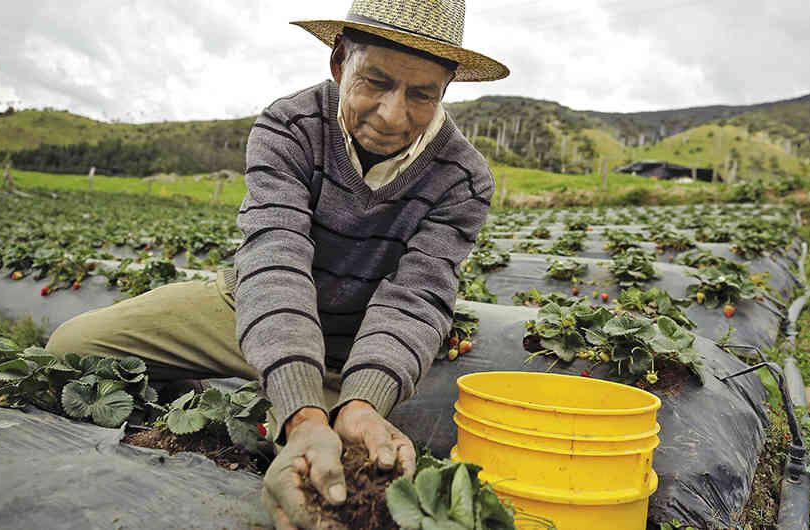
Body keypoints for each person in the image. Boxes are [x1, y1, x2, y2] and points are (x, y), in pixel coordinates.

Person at [44, 1, 508, 528]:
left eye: (421, 94)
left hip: (352, 345)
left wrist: (360, 404)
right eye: (375, 82)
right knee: (72, 348)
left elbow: (415, 298)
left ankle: (301, 409)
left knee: (339, 468)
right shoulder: (290, 125)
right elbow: (276, 259)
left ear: (446, 88)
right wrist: (303, 411)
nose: (392, 115)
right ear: (339, 62)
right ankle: (210, 396)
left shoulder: (463, 177)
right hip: (248, 304)